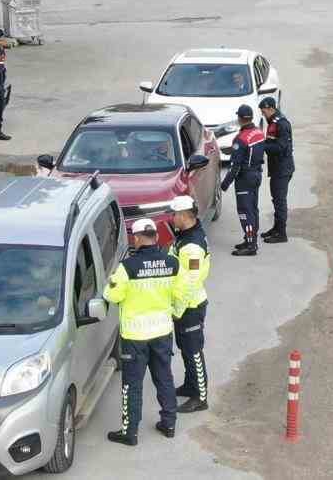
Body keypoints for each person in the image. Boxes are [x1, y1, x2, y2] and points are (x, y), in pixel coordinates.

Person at [105, 218, 185, 446]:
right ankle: (169, 424)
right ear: (156, 237)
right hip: (162, 331)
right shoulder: (173, 263)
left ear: (137, 239)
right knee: (164, 377)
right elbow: (181, 293)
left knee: (132, 383)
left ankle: (130, 432)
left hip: (135, 337)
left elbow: (112, 296)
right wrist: (175, 313)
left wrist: (112, 280)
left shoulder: (127, 267)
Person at [167, 195, 211, 412]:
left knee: (194, 351)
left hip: (190, 306)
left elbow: (191, 282)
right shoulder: (185, 235)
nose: (172, 218)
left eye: (174, 215)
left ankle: (200, 397)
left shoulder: (192, 247)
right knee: (185, 348)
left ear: (185, 216)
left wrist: (177, 309)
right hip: (184, 304)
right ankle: (189, 384)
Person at [220, 105, 266, 256]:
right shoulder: (258, 132)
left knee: (245, 212)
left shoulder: (241, 139)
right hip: (256, 175)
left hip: (244, 179)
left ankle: (251, 245)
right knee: (253, 209)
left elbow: (235, 166)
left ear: (240, 118)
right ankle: (249, 239)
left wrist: (224, 184)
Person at [258, 97, 294, 244]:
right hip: (277, 168)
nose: (263, 114)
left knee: (280, 201)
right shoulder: (273, 122)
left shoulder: (282, 124)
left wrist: (262, 146)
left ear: (271, 108)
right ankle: (276, 228)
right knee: (276, 199)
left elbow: (281, 147)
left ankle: (281, 233)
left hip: (282, 169)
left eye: (264, 111)